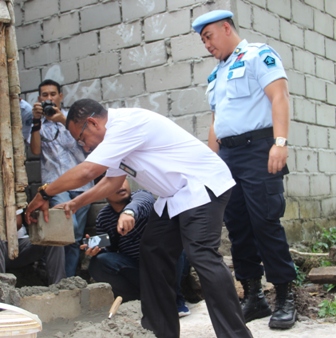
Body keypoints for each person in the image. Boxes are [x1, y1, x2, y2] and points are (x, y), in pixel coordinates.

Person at [25, 99, 252, 338]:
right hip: (174, 197)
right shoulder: (114, 140)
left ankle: (235, 335)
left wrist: (44, 193)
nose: (84, 146)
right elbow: (111, 181)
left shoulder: (125, 125)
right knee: (153, 252)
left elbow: (88, 171)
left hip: (201, 184)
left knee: (202, 254)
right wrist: (75, 203)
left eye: (81, 139)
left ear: (92, 123)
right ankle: (160, 332)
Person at [192, 10, 297, 330]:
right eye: (203, 40)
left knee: (265, 221)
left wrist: (279, 142)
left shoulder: (257, 55)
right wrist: (212, 163)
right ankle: (254, 295)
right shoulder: (216, 75)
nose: (206, 45)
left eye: (209, 37)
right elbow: (215, 122)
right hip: (228, 156)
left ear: (226, 28)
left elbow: (279, 95)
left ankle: (285, 296)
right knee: (237, 225)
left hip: (258, 150)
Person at [82, 179, 191, 316]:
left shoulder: (142, 196)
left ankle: (174, 300)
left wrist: (129, 213)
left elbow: (141, 202)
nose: (120, 185)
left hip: (166, 265)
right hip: (138, 270)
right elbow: (109, 250)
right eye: (113, 182)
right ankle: (141, 299)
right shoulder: (104, 217)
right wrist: (95, 250)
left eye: (122, 179)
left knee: (173, 241)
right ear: (102, 191)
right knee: (99, 263)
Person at [29, 79, 94, 277]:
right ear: (40, 98)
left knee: (75, 237)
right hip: (56, 185)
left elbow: (86, 144)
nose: (49, 98)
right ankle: (59, 278)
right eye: (45, 95)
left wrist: (61, 121)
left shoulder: (72, 119)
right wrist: (36, 122)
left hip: (83, 185)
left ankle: (69, 279)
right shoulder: (37, 123)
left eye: (52, 94)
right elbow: (36, 149)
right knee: (69, 226)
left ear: (60, 96)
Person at [0, 208, 66, 285]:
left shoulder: (7, 197)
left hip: (19, 245)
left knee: (53, 239)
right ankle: (2, 288)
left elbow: (17, 222)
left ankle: (59, 286)